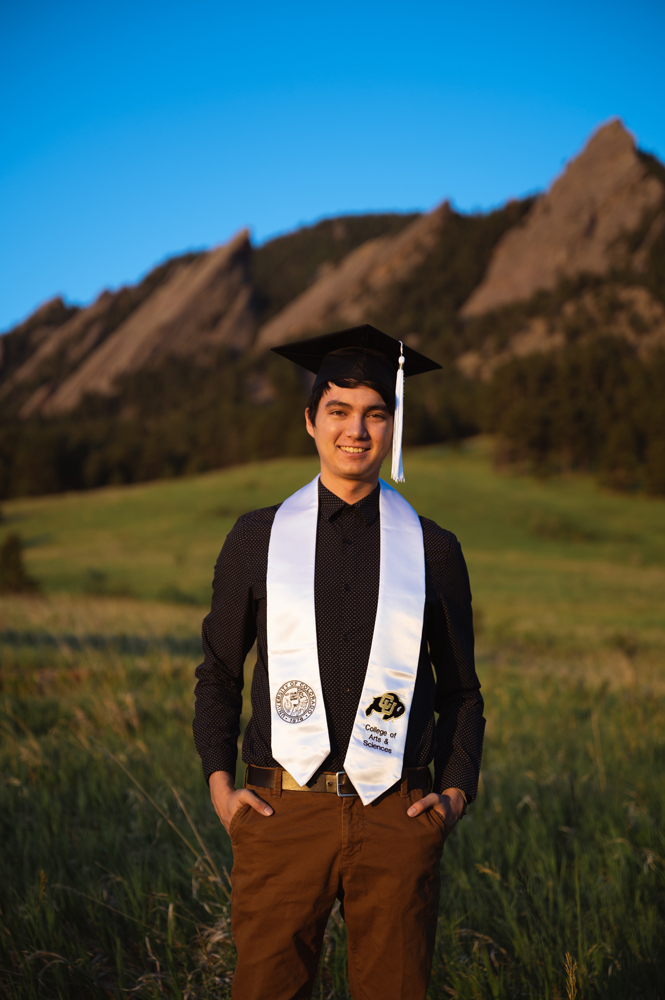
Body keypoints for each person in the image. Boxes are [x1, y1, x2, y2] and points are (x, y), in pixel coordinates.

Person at [193, 324, 485, 1000]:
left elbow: (462, 693)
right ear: (309, 420)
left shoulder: (433, 550)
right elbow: (217, 672)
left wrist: (453, 794)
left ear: (393, 425)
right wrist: (219, 788)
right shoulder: (256, 538)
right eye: (339, 411)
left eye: (374, 414)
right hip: (281, 812)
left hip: (397, 817)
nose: (356, 430)